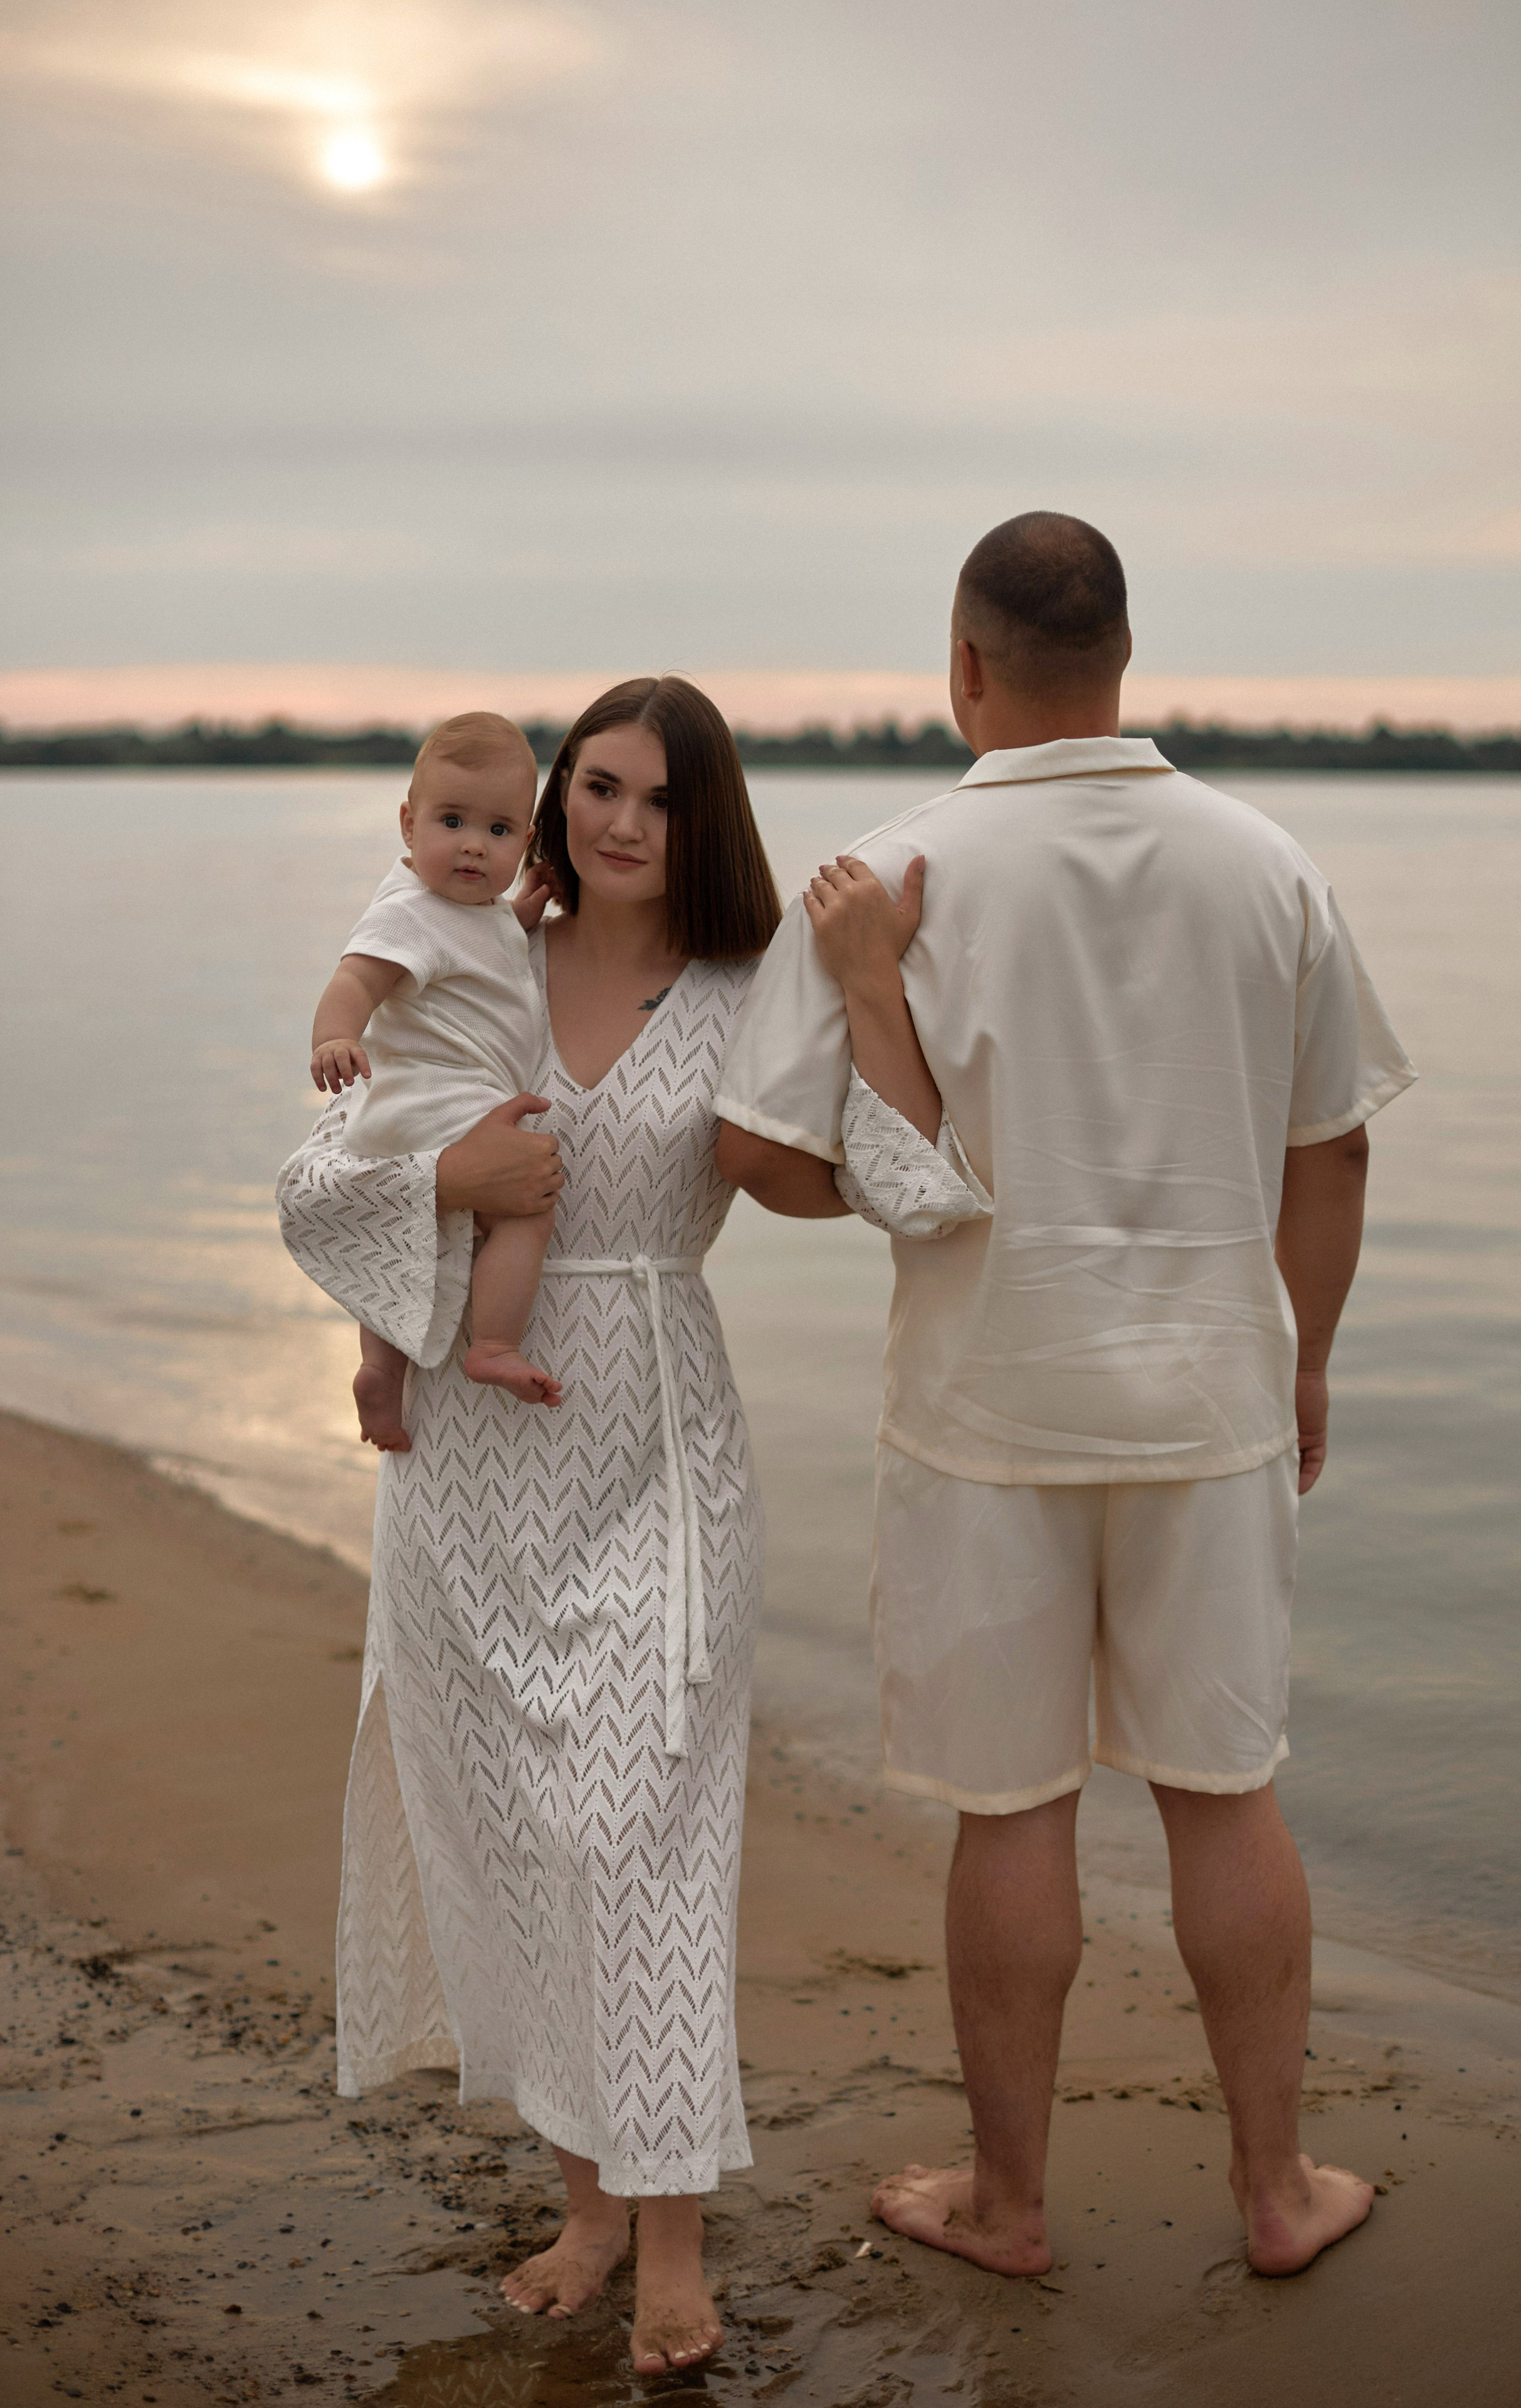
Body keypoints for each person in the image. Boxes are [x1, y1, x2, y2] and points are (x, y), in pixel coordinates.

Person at [715, 512, 1417, 2283]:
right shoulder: (1269, 865)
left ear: (964, 666)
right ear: (1122, 655)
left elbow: (764, 1158)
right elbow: (1326, 1149)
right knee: (1223, 1791)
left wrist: (903, 1157)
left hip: (982, 1407)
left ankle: (1012, 2208)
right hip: (1209, 1397)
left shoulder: (885, 873)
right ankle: (1276, 2193)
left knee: (1012, 1812)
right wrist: (1309, 1353)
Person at [276, 673, 962, 2375]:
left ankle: (673, 2243)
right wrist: (451, 1185)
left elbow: (894, 1179)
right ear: (559, 793)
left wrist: (874, 988)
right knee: (508, 1825)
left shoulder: (749, 989)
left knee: (642, 1833)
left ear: (704, 814)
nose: (618, 822)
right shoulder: (471, 943)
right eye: (595, 786)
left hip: (654, 1434)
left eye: (655, 797)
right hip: (469, 1441)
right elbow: (316, 1175)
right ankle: (588, 2204)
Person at [308, 711, 561, 1452]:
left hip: (405, 1120)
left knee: (408, 1237)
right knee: (526, 1205)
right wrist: (335, 1036)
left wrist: (522, 912)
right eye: (452, 821)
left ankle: (379, 1368)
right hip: (439, 1101)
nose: (475, 846)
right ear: (407, 824)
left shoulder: (467, 912)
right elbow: (356, 977)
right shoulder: (409, 911)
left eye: (501, 831)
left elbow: (478, 946)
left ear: (525, 841)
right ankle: (492, 1343)